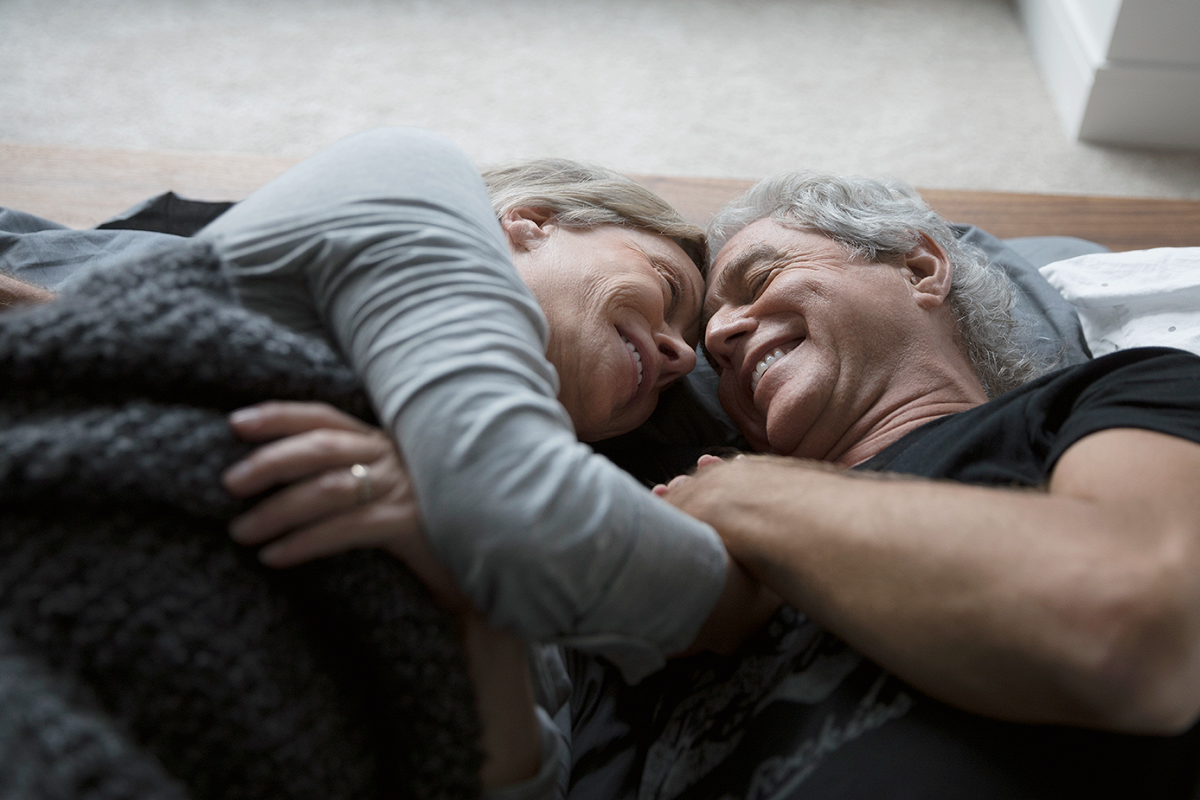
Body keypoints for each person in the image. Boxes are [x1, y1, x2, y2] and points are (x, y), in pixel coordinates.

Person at [237, 170, 1200, 798]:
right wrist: (467, 589)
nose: (719, 340)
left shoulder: (1121, 394)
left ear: (919, 264)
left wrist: (750, 495)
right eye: (708, 343)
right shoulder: (666, 583)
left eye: (760, 277)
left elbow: (1133, 627)